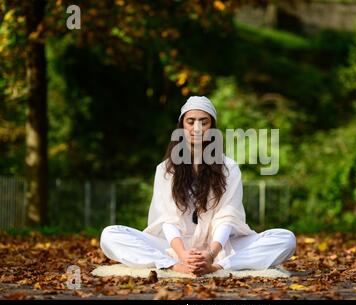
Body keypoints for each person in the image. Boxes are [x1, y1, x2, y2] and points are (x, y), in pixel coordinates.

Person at [100, 96, 296, 276]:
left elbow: (227, 217)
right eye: (190, 121)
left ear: (212, 128)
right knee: (110, 235)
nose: (197, 128)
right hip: (174, 249)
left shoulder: (229, 168)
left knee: (286, 239)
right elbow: (167, 219)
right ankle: (173, 266)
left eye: (204, 122)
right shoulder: (165, 169)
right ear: (181, 127)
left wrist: (211, 255)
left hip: (220, 249)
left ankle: (219, 267)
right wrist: (182, 256)